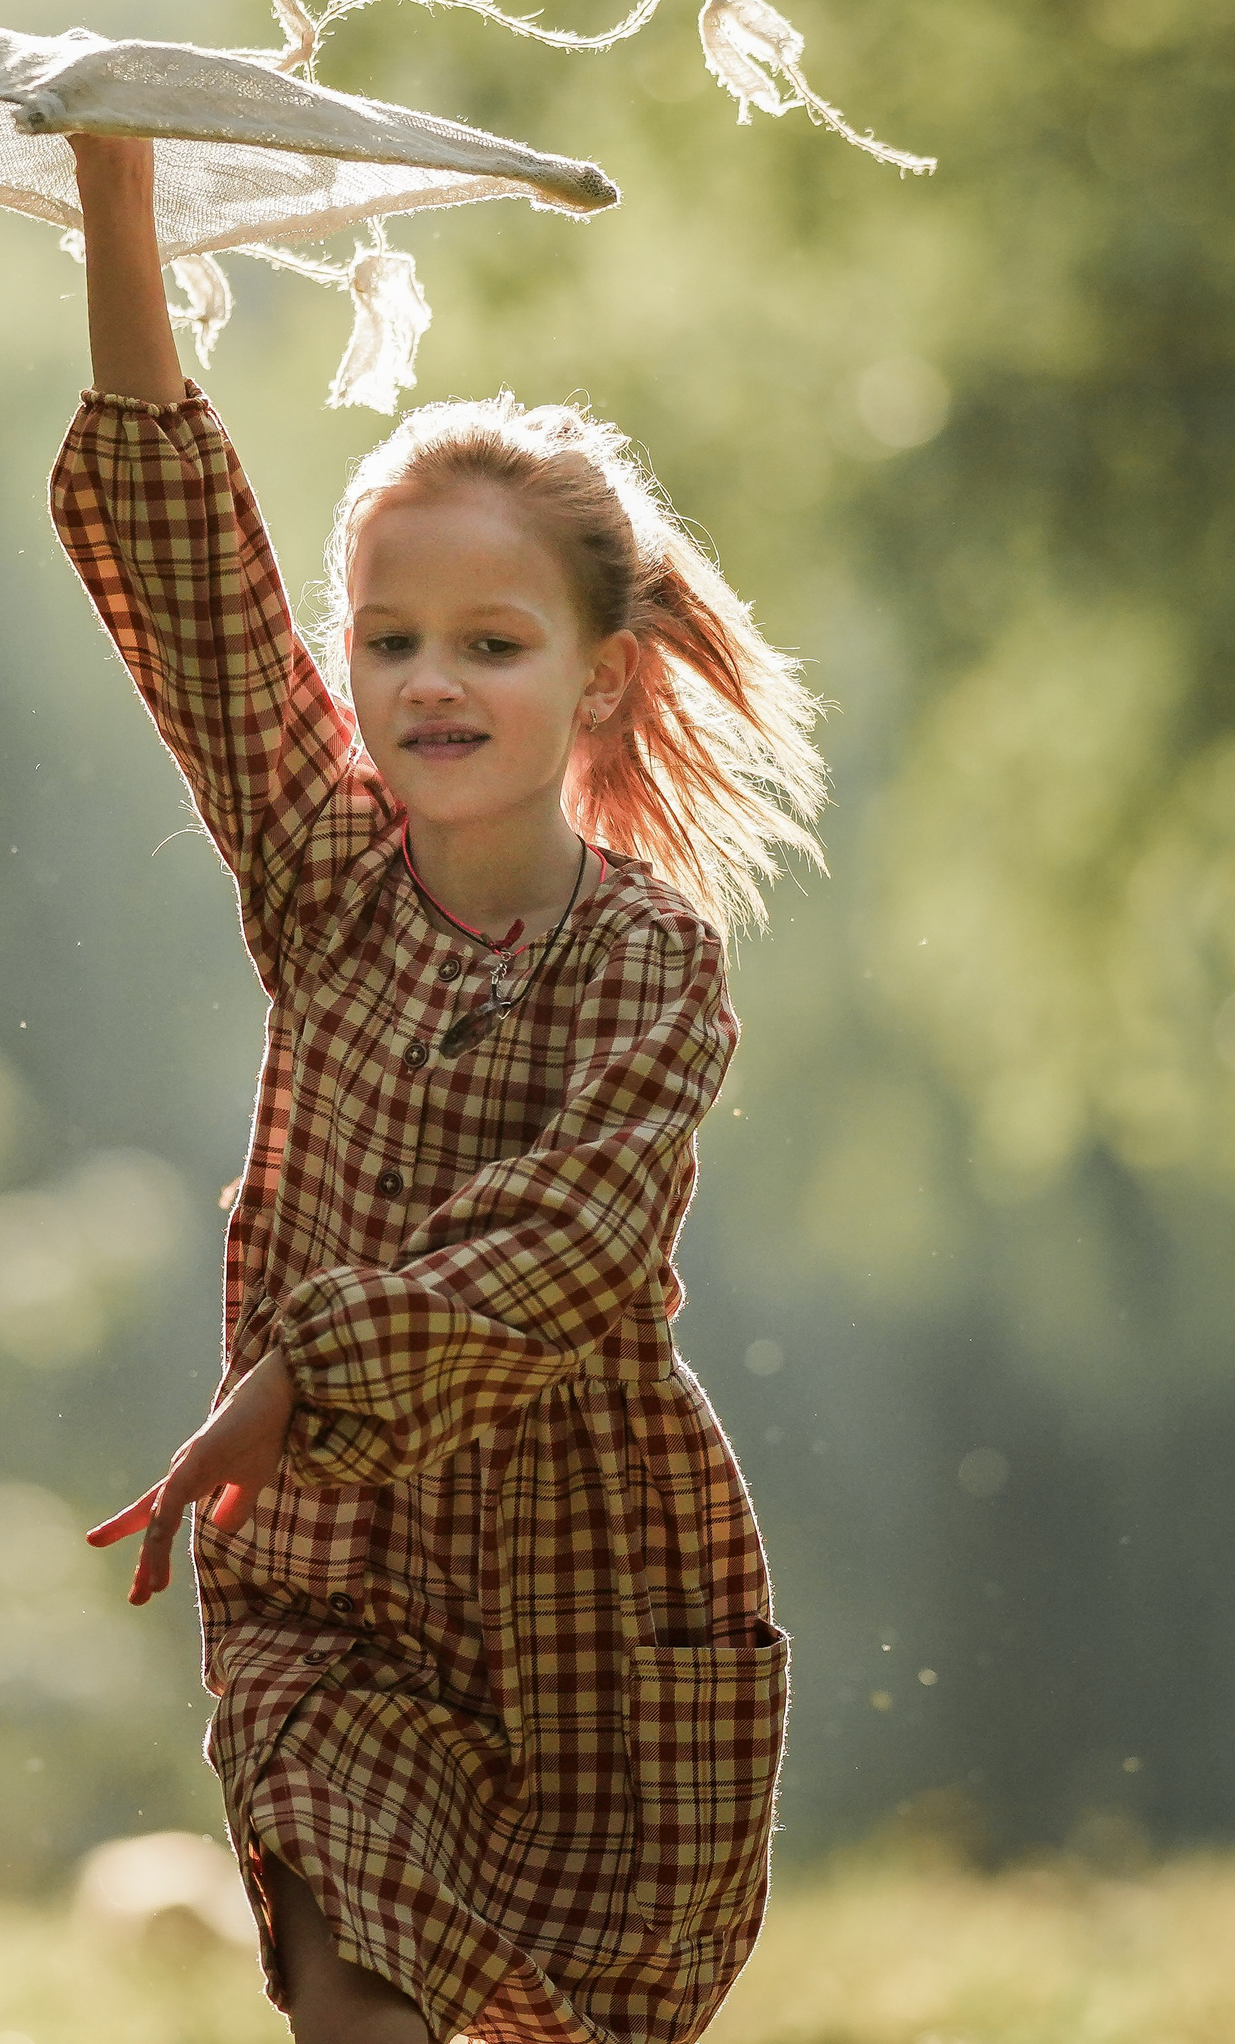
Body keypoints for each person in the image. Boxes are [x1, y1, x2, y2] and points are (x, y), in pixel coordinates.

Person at [58, 136, 821, 2044]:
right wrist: (119, 197)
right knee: (352, 1994)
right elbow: (194, 583)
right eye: (389, 641)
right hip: (332, 1577)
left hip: (591, 1598)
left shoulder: (650, 962)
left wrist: (306, 1368)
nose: (430, 682)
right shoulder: (322, 868)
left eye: (492, 643)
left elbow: (571, 1241)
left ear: (600, 680)